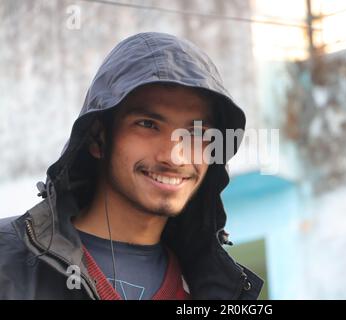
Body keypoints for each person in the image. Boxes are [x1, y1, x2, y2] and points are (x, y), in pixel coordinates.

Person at [0, 32, 263, 300]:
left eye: (195, 133)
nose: (175, 157)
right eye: (148, 125)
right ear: (97, 137)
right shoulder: (8, 263)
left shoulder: (219, 291)